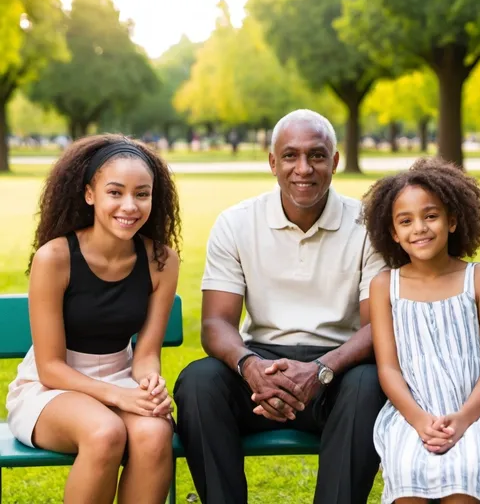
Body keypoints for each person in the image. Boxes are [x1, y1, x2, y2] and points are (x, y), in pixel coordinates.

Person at [174, 109, 388, 504]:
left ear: (335, 162)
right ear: (272, 162)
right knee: (199, 383)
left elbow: (377, 328)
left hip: (338, 372)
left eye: (317, 155)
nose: (303, 168)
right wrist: (251, 368)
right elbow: (216, 324)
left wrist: (321, 371)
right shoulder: (236, 223)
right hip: (260, 365)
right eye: (290, 156)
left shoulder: (369, 225)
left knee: (369, 383)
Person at [6, 134, 181, 504]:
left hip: (120, 376)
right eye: (115, 192)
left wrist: (150, 387)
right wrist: (119, 396)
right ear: (90, 194)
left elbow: (146, 352)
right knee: (105, 432)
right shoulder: (55, 258)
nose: (130, 206)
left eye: (142, 194)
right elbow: (50, 367)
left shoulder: (161, 261)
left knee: (154, 434)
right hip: (50, 388)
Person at [362, 157, 480, 504]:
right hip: (413, 412)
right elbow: (388, 367)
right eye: (406, 221)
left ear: (453, 221)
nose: (420, 228)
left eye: (431, 216)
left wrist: (462, 419)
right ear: (394, 234)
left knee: (467, 470)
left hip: (478, 410)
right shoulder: (385, 286)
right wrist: (417, 420)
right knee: (408, 469)